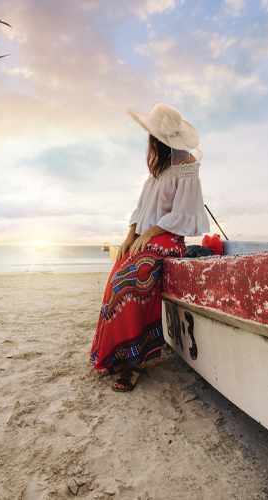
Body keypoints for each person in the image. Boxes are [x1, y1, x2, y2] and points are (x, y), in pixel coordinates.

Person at [90, 103, 210, 392]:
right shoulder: (157, 170)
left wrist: (153, 232)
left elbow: (183, 214)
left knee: (132, 281)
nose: (149, 140)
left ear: (159, 139)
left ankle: (136, 363)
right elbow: (142, 207)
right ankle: (118, 353)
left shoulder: (187, 168)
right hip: (146, 236)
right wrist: (130, 235)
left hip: (168, 237)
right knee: (115, 279)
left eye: (151, 136)